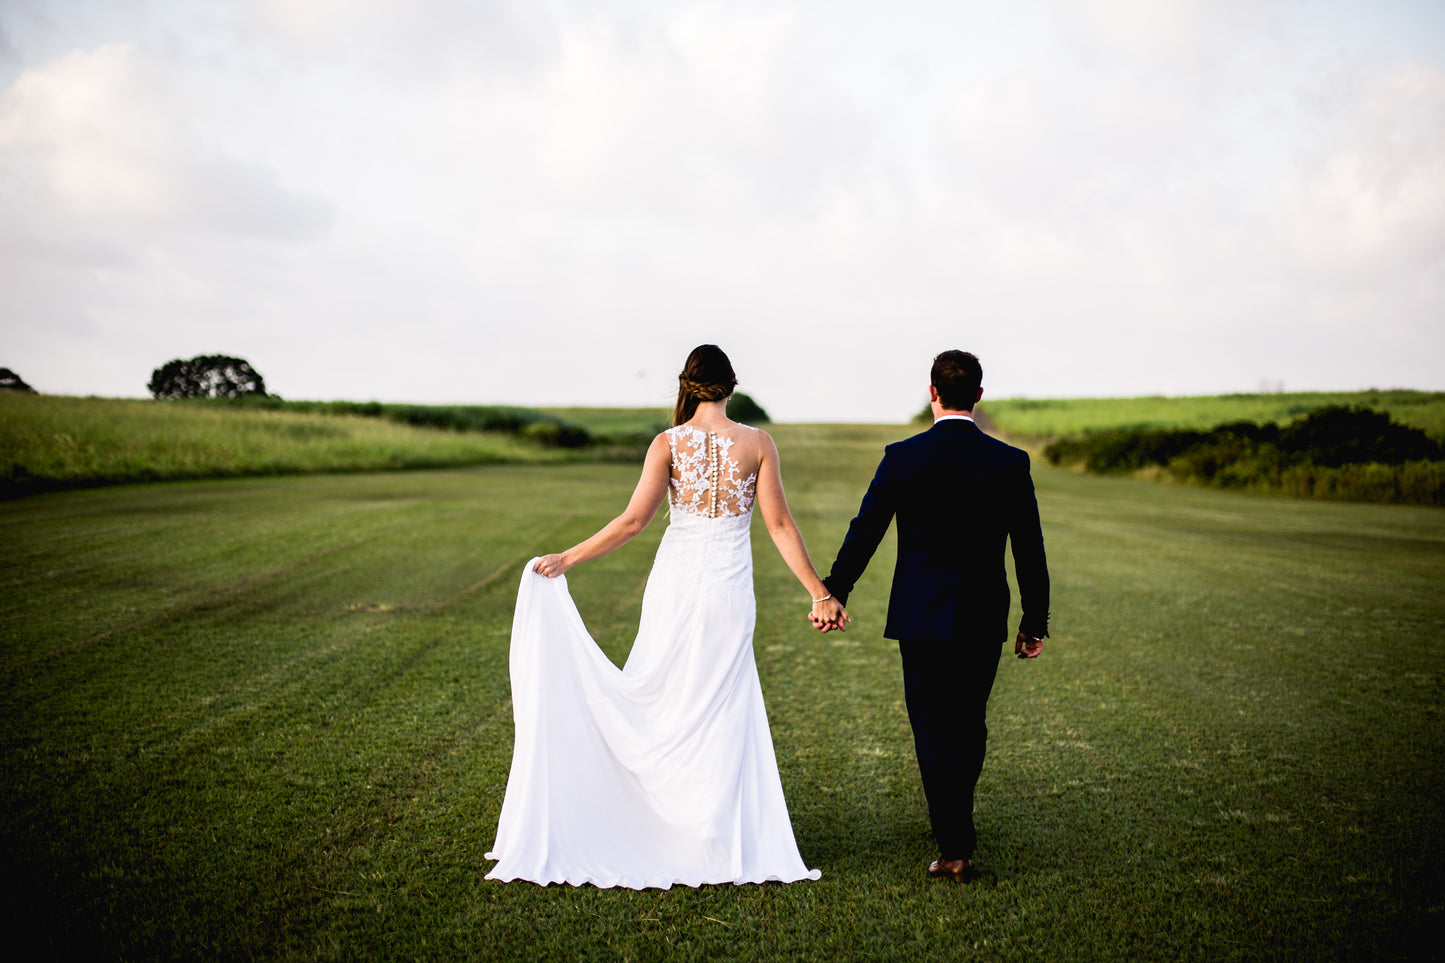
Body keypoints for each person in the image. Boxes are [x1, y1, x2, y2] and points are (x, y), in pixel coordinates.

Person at [485, 345, 828, 888]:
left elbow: (632, 522)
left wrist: (566, 558)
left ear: (687, 385)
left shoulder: (668, 443)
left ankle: (656, 817)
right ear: (731, 386)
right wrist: (819, 593)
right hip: (727, 592)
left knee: (660, 694)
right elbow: (780, 526)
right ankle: (710, 832)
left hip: (674, 585)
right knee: (721, 703)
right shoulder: (759, 444)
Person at [809, 350, 1050, 883]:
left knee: (932, 725)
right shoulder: (1010, 462)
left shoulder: (903, 457)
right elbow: (1030, 550)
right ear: (979, 396)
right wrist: (1034, 621)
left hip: (921, 616)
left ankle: (956, 843)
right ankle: (954, 824)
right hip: (985, 613)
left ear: (932, 393)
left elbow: (864, 529)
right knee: (969, 722)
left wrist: (834, 590)